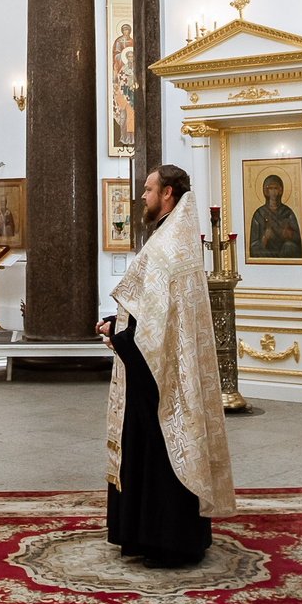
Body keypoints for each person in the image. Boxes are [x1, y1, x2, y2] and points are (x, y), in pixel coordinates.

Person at [100, 165, 234, 565]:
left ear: (168, 193)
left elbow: (158, 317)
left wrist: (120, 336)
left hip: (160, 369)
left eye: (148, 189)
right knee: (146, 448)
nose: (142, 195)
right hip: (150, 361)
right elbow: (151, 308)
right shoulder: (170, 235)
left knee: (159, 451)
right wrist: (116, 325)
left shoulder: (169, 243)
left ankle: (166, 541)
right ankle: (145, 535)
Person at [247, 173, 302, 260]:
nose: (273, 192)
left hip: (284, 253)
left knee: (289, 246)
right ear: (266, 191)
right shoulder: (259, 214)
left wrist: (290, 234)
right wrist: (264, 238)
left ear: (280, 190)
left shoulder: (287, 213)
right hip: (266, 253)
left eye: (276, 188)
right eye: (270, 188)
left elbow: (298, 242)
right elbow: (252, 247)